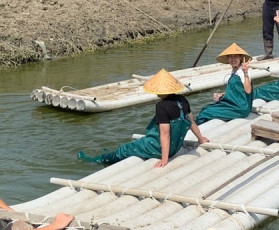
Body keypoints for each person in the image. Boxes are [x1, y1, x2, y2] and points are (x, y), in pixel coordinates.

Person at [79, 69, 209, 168]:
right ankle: (105, 156)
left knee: (125, 149)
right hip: (175, 146)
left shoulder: (162, 106)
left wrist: (164, 159)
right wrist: (200, 139)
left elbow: (165, 134)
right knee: (132, 145)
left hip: (157, 147)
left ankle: (99, 160)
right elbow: (191, 122)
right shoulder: (183, 100)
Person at [196, 43, 253, 124]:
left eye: (236, 56)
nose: (233, 59)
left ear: (240, 57)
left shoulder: (242, 72)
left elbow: (248, 91)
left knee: (206, 112)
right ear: (227, 58)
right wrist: (222, 94)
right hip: (233, 103)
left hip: (240, 107)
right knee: (206, 108)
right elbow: (236, 90)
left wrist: (246, 73)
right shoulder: (234, 71)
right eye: (230, 57)